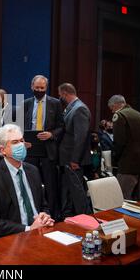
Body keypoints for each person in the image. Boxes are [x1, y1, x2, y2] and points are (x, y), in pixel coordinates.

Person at [0, 124, 54, 241]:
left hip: (39, 233)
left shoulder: (33, 170)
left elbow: (43, 205)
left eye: (22, 140)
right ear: (2, 150)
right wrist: (28, 229)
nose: (21, 145)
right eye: (15, 142)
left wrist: (44, 215)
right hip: (10, 238)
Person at [21, 75, 64, 219]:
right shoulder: (26, 103)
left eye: (42, 88)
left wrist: (51, 134)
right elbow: (20, 126)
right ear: (32, 87)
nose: (39, 90)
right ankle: (33, 214)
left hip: (48, 149)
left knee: (50, 185)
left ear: (46, 88)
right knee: (31, 183)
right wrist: (22, 140)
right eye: (37, 88)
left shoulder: (55, 103)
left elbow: (61, 126)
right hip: (30, 148)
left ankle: (51, 215)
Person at [57, 83, 92, 217]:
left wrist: (75, 159)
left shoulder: (79, 109)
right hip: (67, 158)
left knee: (77, 193)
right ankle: (70, 218)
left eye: (60, 95)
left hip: (73, 160)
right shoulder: (72, 108)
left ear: (65, 94)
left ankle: (84, 218)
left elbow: (80, 137)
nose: (60, 98)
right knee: (69, 192)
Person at [108, 95, 140, 200]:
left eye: (112, 108)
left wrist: (115, 159)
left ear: (116, 105)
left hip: (127, 165)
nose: (112, 112)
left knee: (122, 199)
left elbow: (119, 142)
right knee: (138, 201)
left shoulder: (120, 115)